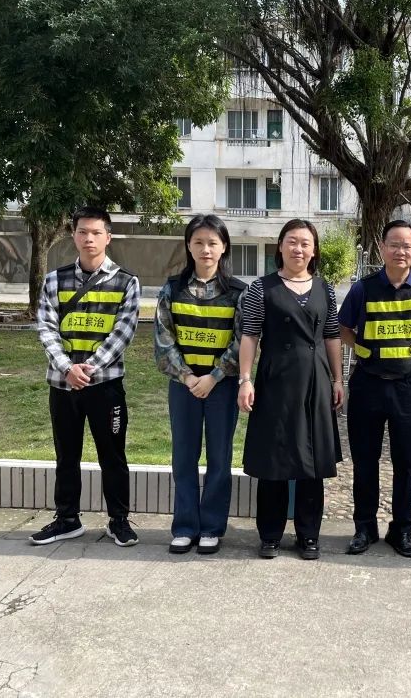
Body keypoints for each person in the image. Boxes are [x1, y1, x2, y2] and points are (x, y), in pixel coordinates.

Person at [339, 219, 411, 558]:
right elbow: (344, 327)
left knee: (406, 462)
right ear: (382, 248)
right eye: (394, 244)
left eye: (407, 246)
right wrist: (361, 350)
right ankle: (364, 527)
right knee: (364, 460)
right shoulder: (363, 289)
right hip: (368, 385)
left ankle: (401, 530)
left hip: (408, 388)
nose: (400, 251)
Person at [31, 206, 141, 547]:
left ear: (108, 237)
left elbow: (123, 333)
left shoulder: (127, 282)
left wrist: (88, 369)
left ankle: (119, 520)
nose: (88, 238)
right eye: (82, 232)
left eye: (96, 232)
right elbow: (46, 328)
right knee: (66, 455)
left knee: (113, 455)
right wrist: (67, 368)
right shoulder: (54, 280)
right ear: (73, 235)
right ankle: (67, 519)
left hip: (105, 386)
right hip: (63, 385)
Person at [237, 219, 344, 560]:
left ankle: (309, 535)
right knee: (274, 459)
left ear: (314, 251)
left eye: (305, 243)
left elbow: (332, 336)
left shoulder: (325, 289)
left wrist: (338, 380)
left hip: (316, 380)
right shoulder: (261, 288)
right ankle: (269, 535)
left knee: (313, 462)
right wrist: (245, 379)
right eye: (292, 241)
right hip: (276, 381)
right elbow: (250, 335)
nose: (299, 248)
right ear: (280, 246)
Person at [155, 214, 246, 555]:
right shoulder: (172, 289)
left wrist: (214, 376)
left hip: (222, 386)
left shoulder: (238, 293)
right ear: (189, 246)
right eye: (198, 242)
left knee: (219, 457)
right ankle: (184, 527)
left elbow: (243, 341)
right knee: (184, 456)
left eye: (212, 243)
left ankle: (211, 527)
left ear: (224, 247)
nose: (205, 249)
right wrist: (188, 377)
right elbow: (163, 340)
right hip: (185, 386)